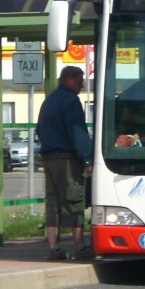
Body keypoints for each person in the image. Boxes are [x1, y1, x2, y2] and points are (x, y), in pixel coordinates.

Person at [36, 66, 93, 260]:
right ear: (68, 79)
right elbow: (77, 131)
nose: (82, 84)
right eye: (79, 80)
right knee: (74, 199)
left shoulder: (49, 100)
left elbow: (39, 129)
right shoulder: (71, 101)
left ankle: (53, 247)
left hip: (48, 158)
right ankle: (80, 246)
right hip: (67, 158)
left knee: (52, 201)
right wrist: (87, 158)